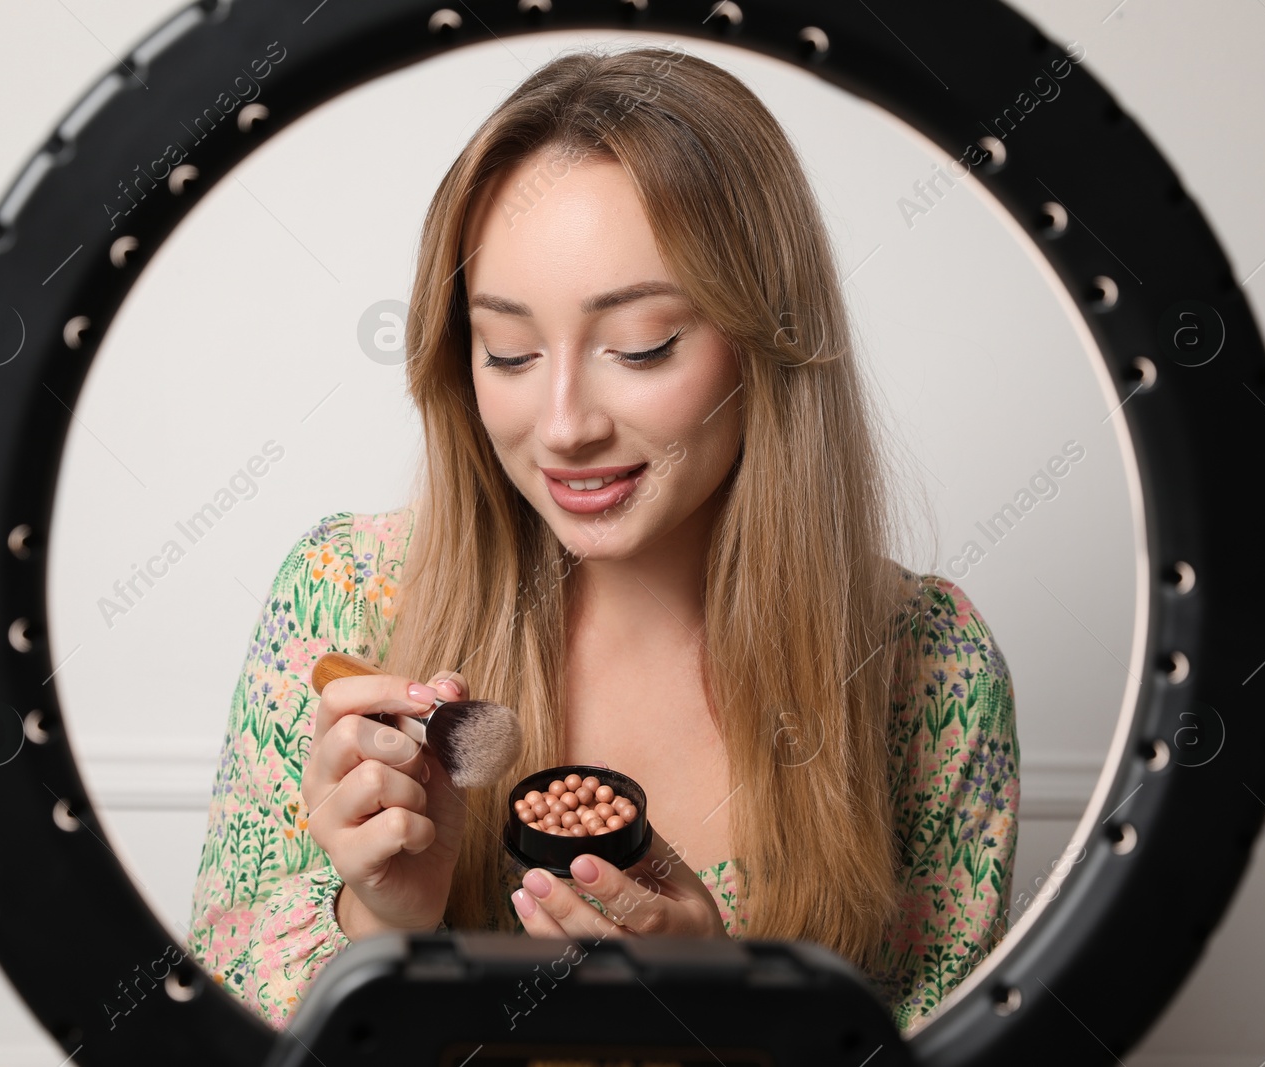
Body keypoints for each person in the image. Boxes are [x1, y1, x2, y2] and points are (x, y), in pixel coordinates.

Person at [187, 43, 1018, 1034]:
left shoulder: (929, 662)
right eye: (509, 350)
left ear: (768, 343)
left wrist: (725, 1010)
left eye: (642, 346)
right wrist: (378, 924)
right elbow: (209, 1031)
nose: (565, 421)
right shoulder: (341, 594)